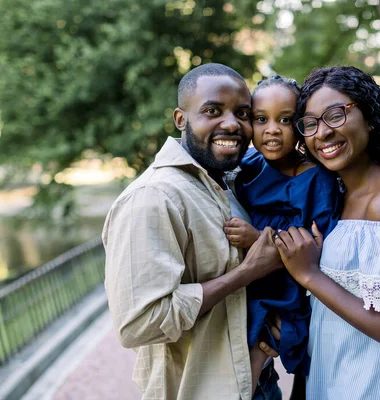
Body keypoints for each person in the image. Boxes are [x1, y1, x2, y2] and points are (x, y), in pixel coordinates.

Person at [102, 63, 283, 400]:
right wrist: (246, 273)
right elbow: (138, 323)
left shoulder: (225, 183)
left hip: (257, 382)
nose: (232, 123)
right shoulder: (154, 197)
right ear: (181, 119)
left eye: (243, 113)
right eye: (213, 111)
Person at [273, 66, 380, 399]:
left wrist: (309, 275)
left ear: (370, 117)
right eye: (310, 124)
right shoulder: (339, 195)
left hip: (368, 385)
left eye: (335, 115)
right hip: (330, 374)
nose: (322, 133)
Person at [222, 75, 342, 392]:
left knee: (249, 371)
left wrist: (256, 238)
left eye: (285, 120)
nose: (272, 129)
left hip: (287, 288)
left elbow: (314, 248)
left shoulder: (318, 180)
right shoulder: (247, 166)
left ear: (300, 124)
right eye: (261, 119)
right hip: (245, 283)